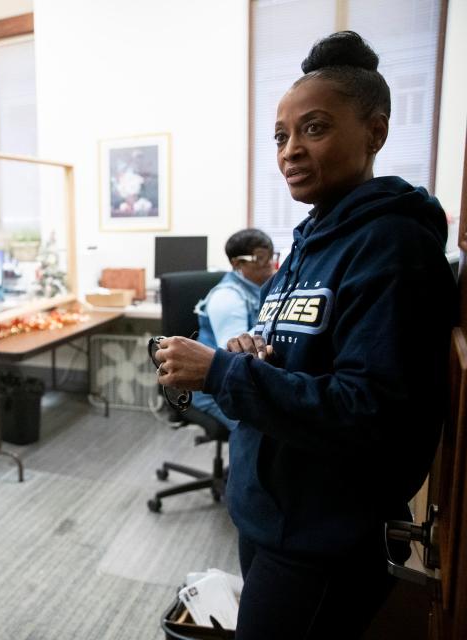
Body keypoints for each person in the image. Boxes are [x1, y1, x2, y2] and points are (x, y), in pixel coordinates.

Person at [153, 31, 456, 638]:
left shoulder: (392, 247)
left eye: (313, 129)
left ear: (375, 131)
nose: (290, 150)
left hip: (322, 538)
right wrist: (248, 349)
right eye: (280, 136)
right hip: (268, 512)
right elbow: (286, 344)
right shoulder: (308, 240)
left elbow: (369, 411)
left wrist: (218, 371)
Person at [191, 229, 277, 430]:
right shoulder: (227, 297)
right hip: (213, 388)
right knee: (264, 431)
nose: (270, 265)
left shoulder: (257, 289)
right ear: (238, 264)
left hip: (238, 381)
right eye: (262, 259)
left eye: (271, 257)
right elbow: (235, 359)